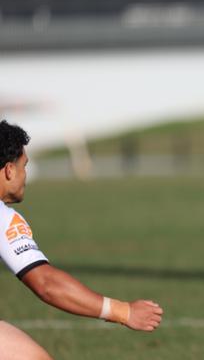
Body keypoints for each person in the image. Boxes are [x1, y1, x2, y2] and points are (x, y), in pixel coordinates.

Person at [0, 120, 164, 360]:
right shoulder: (3, 218)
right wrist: (124, 311)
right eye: (24, 166)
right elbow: (46, 283)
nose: (25, 176)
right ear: (8, 170)